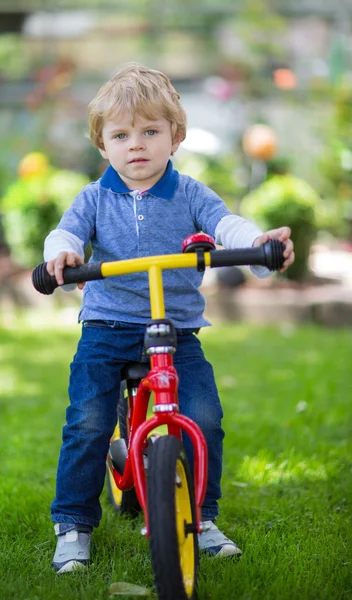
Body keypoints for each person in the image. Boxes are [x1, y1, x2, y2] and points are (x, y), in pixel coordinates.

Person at [44, 63, 295, 574]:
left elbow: (229, 225)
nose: (135, 144)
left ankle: (201, 518)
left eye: (150, 131)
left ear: (175, 137)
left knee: (204, 416)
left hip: (176, 331)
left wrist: (258, 245)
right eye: (120, 135)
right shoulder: (95, 197)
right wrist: (64, 256)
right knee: (87, 422)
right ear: (102, 146)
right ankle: (72, 524)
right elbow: (67, 234)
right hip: (107, 327)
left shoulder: (190, 195)